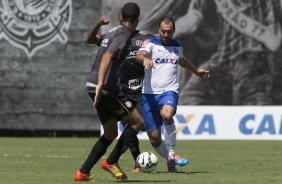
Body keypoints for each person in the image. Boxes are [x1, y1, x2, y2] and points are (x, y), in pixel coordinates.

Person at [74, 3, 144, 182]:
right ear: (138, 19)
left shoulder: (112, 32)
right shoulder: (122, 34)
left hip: (92, 86)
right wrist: (100, 85)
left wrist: (97, 25)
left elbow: (90, 40)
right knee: (137, 122)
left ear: (121, 17)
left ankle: (83, 172)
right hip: (105, 89)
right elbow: (107, 56)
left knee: (111, 132)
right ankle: (111, 161)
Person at [136, 16, 210, 172]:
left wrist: (196, 71)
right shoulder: (150, 43)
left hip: (169, 90)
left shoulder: (177, 46)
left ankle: (172, 153)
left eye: (169, 32)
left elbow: (181, 60)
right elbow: (139, 55)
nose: (166, 35)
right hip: (148, 94)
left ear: (174, 31)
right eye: (163, 31)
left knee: (167, 115)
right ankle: (170, 161)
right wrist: (145, 60)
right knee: (155, 138)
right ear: (159, 30)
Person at [174, 0, 282, 105]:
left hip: (254, 59)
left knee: (256, 108)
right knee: (188, 101)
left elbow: (274, 41)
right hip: (221, 60)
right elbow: (191, 20)